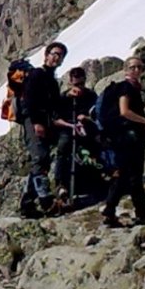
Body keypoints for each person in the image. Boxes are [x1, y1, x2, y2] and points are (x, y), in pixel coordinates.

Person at [101, 56, 145, 228]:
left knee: (123, 175)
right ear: (125, 70)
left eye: (139, 67)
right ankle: (142, 214)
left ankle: (109, 211)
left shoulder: (128, 88)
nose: (137, 71)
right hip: (128, 138)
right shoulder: (127, 88)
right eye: (133, 67)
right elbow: (124, 111)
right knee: (134, 176)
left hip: (120, 138)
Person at [19, 41, 69, 217]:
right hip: (34, 122)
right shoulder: (37, 74)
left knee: (43, 161)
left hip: (46, 123)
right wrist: (37, 122)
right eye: (54, 53)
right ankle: (46, 202)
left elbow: (55, 106)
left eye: (60, 55)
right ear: (46, 55)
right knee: (40, 158)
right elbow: (29, 100)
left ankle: (27, 204)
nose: (57, 57)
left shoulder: (52, 82)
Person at [51, 66, 99, 209]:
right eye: (76, 84)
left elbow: (97, 115)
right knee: (64, 146)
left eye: (82, 83)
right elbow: (55, 119)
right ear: (70, 82)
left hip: (86, 129)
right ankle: (60, 184)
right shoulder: (63, 98)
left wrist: (86, 118)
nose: (79, 87)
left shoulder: (91, 96)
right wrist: (69, 125)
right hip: (68, 129)